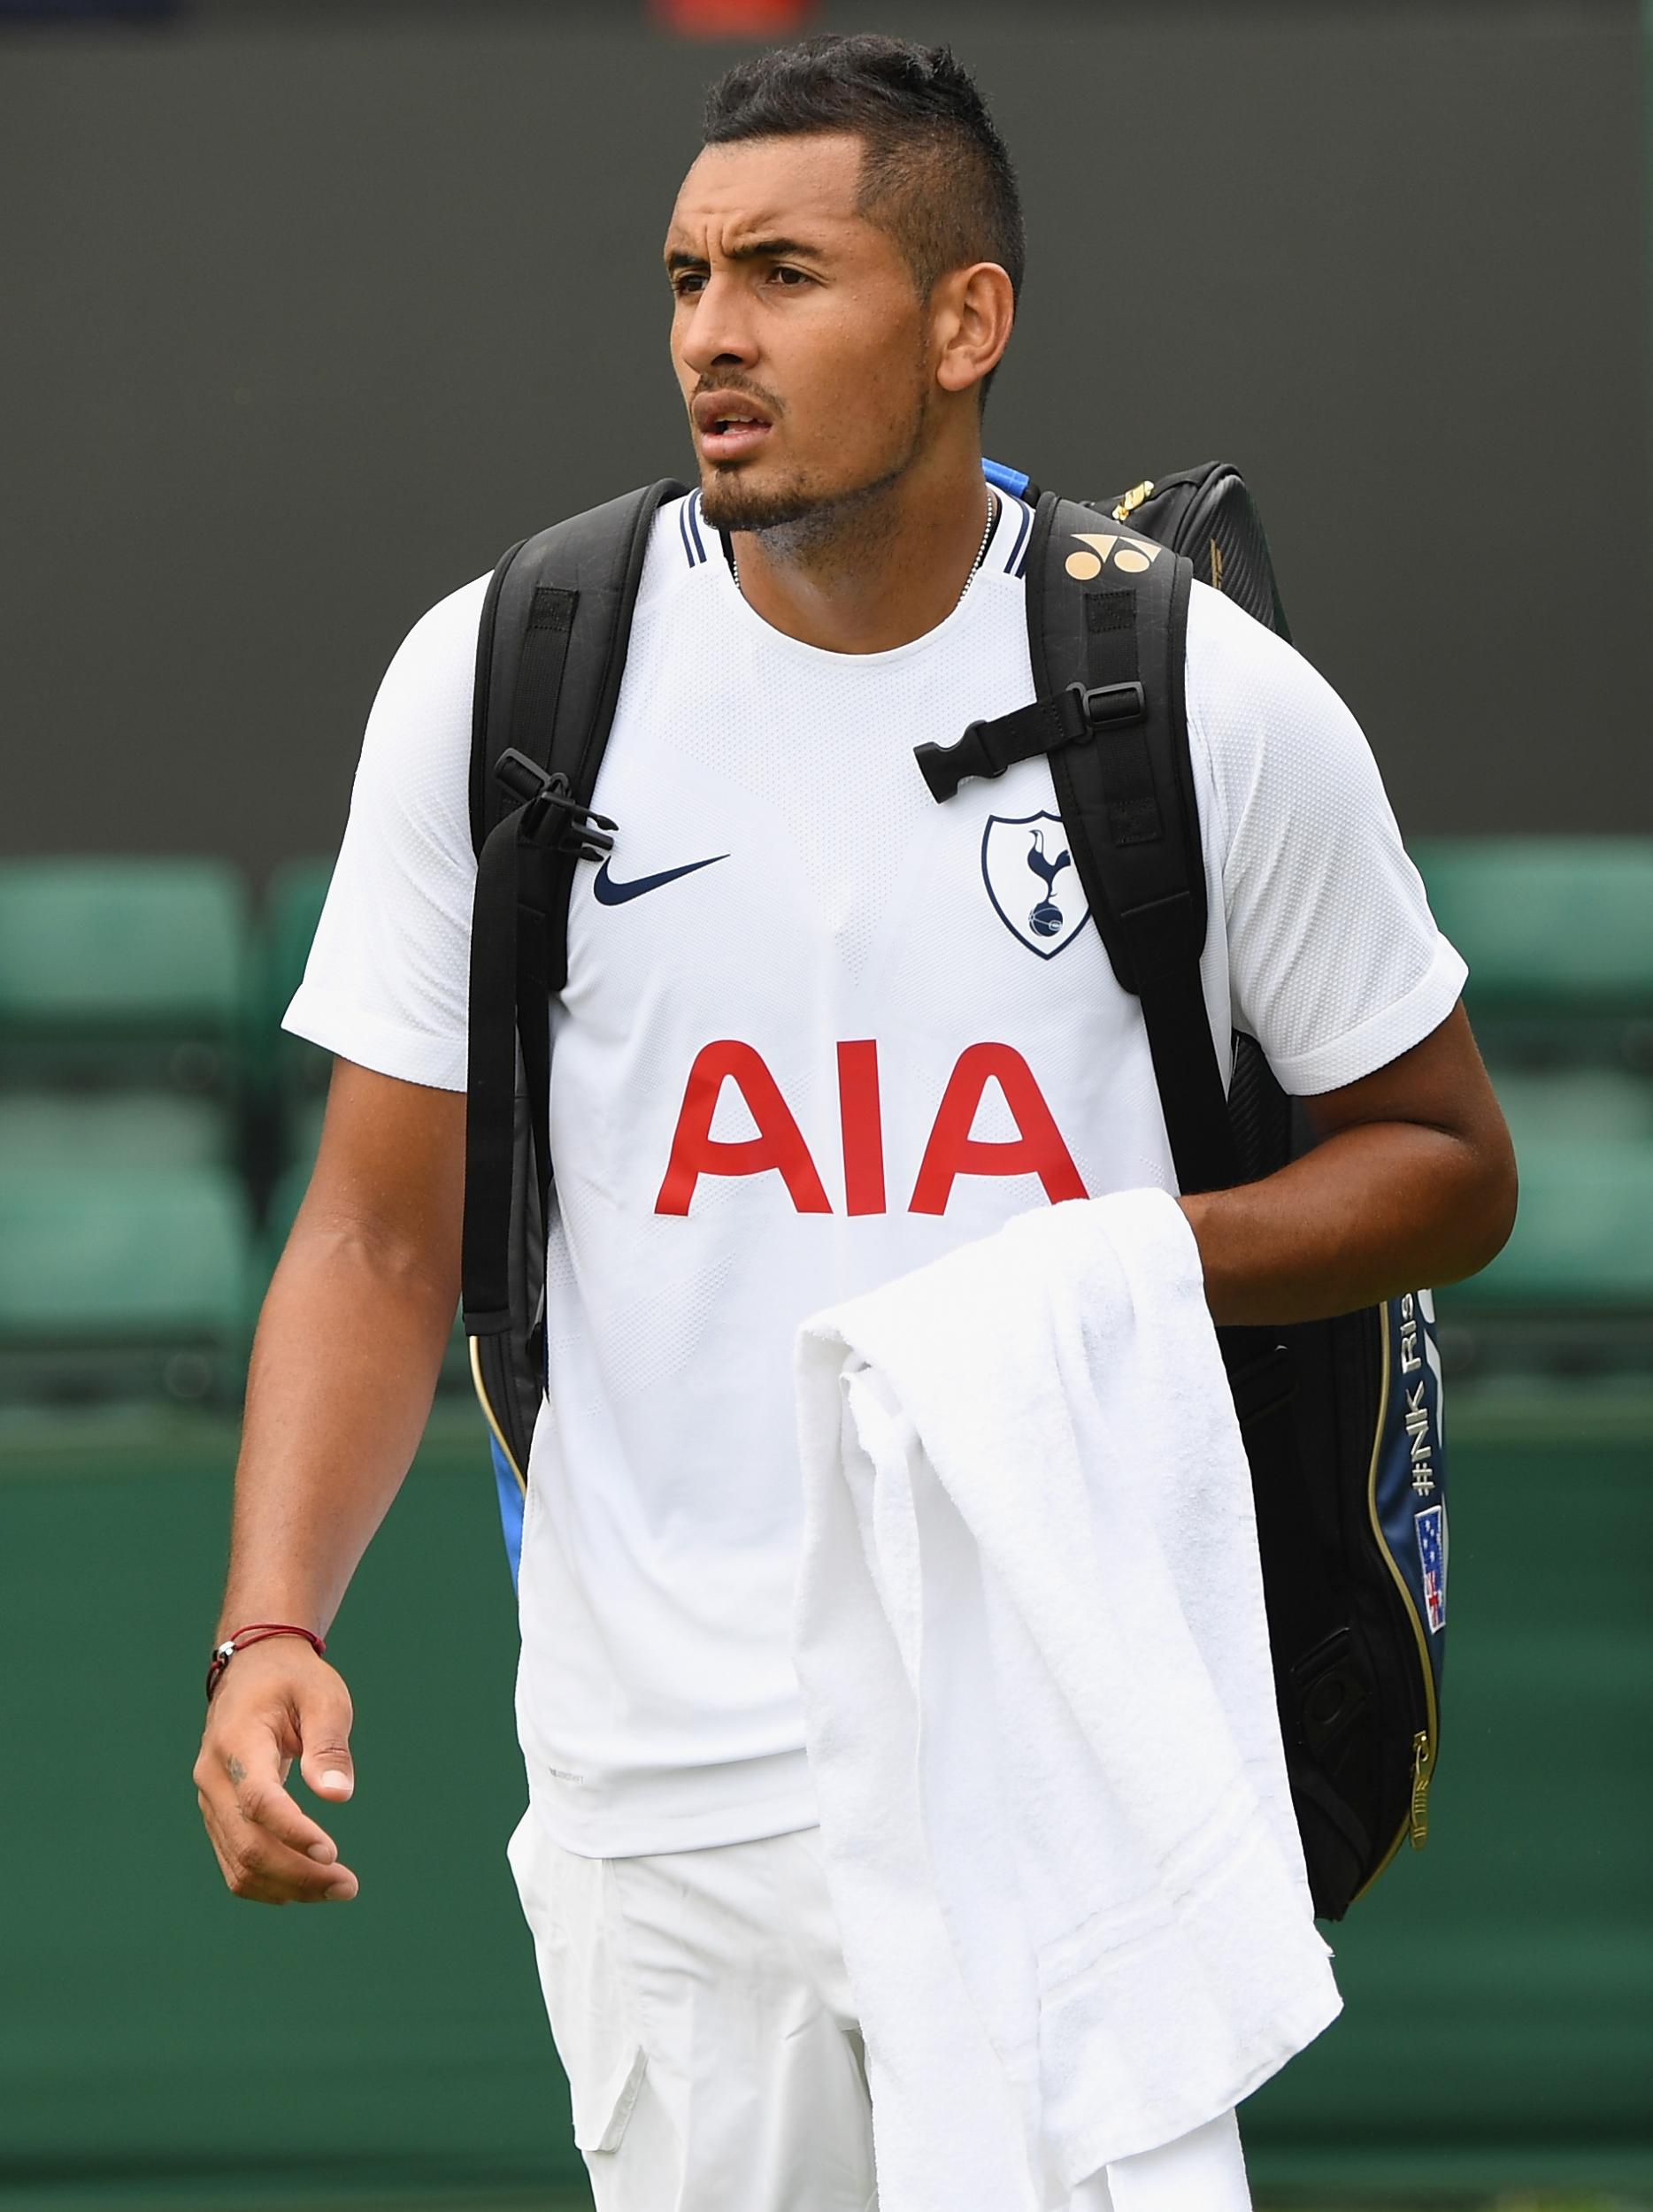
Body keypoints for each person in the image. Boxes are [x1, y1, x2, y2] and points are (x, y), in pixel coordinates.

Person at [193, 33, 1517, 2211]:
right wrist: (270, 1626)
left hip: (1064, 1751)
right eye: (689, 276)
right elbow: (373, 1234)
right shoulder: (508, 670)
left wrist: (1111, 1257)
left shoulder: (1195, 691)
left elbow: (1449, 1164)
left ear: (964, 319)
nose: (712, 332)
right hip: (659, 1787)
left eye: (787, 272)